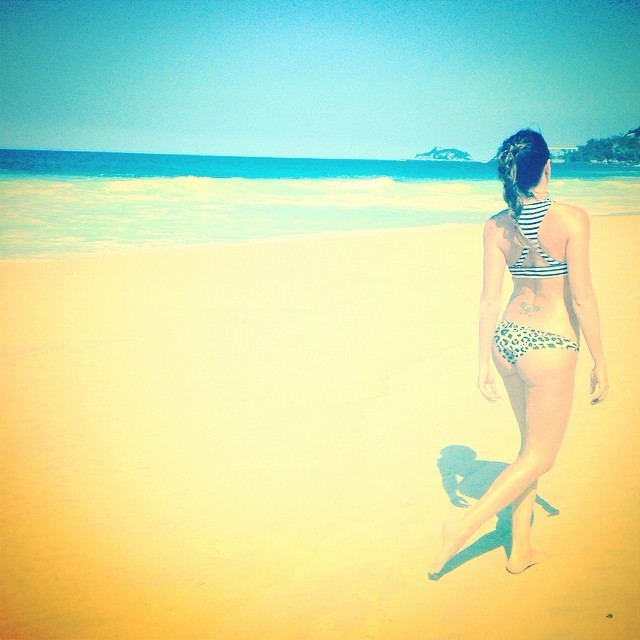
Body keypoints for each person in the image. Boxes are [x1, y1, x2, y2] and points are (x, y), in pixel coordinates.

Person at [428, 129, 608, 578]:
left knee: (530, 448)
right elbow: (582, 297)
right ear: (547, 167)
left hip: (506, 339)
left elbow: (489, 298)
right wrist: (601, 361)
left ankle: (521, 548)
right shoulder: (572, 219)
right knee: (541, 456)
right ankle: (463, 527)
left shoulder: (496, 225)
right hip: (549, 344)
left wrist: (482, 362)